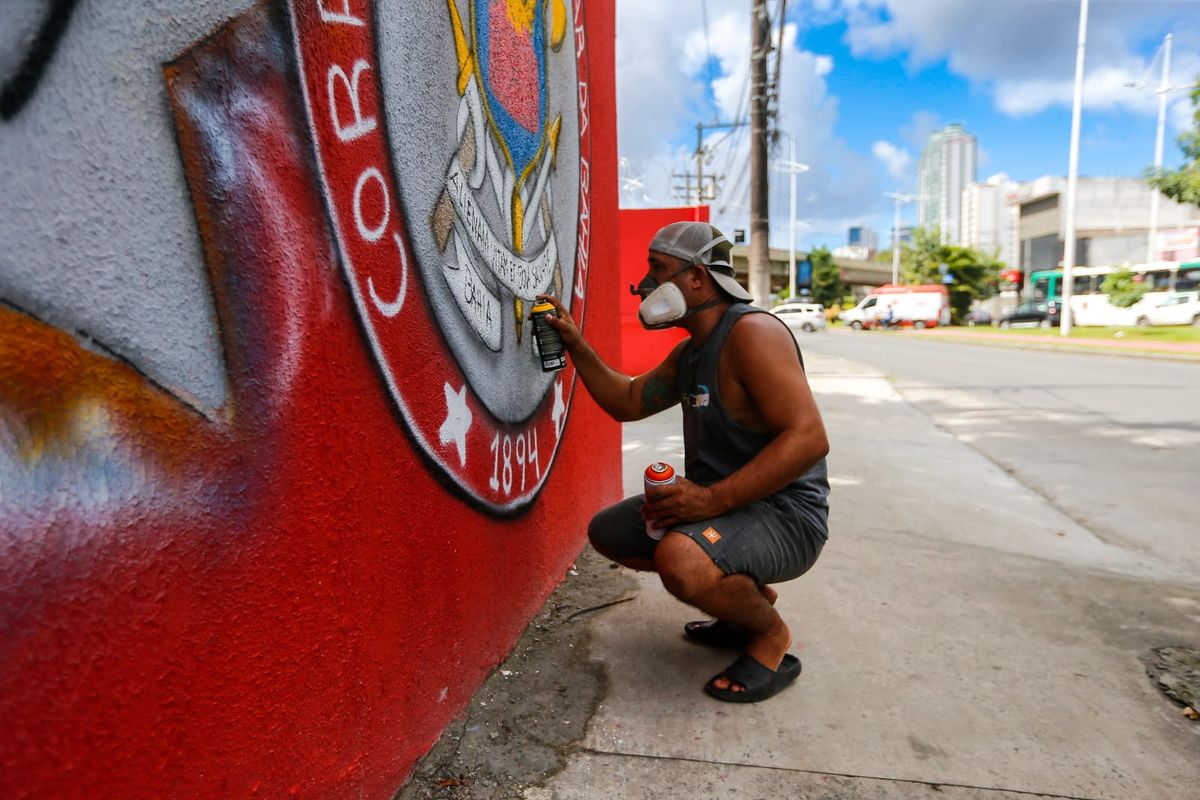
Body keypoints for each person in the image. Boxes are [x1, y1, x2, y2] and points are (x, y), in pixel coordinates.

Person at [534, 221, 830, 704]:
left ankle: (769, 638)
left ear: (697, 279)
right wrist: (574, 343)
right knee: (611, 531)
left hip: (787, 517)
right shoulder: (692, 354)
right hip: (730, 511)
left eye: (659, 269)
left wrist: (709, 499)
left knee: (680, 556)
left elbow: (810, 438)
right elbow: (629, 401)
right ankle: (743, 608)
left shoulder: (752, 333)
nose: (646, 285)